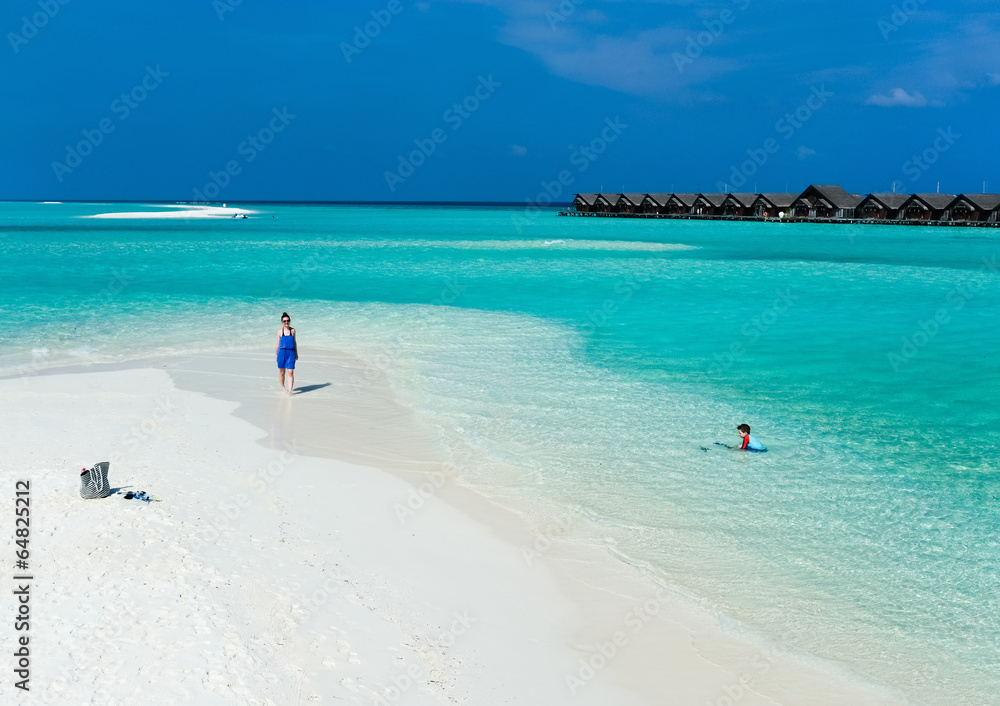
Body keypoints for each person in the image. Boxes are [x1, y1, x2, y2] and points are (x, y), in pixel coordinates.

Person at [275, 312, 298, 394]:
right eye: (284, 321)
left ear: (290, 321)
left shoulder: (293, 330)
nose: (286, 322)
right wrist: (276, 354)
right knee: (282, 372)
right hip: (282, 353)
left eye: (288, 320)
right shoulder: (280, 331)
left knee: (290, 372)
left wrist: (296, 353)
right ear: (282, 322)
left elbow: (295, 342)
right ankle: (283, 387)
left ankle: (290, 390)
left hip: (291, 353)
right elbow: (278, 343)